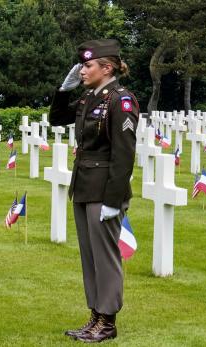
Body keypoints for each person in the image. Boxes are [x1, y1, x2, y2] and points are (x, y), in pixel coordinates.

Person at [49, 39, 138, 343]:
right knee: (90, 257)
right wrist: (64, 89)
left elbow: (124, 155)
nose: (82, 70)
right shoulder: (89, 98)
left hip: (103, 190)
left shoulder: (120, 100)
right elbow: (57, 118)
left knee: (105, 256)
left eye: (88, 66)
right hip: (84, 185)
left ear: (107, 67)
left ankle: (108, 321)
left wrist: (113, 200)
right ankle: (96, 316)